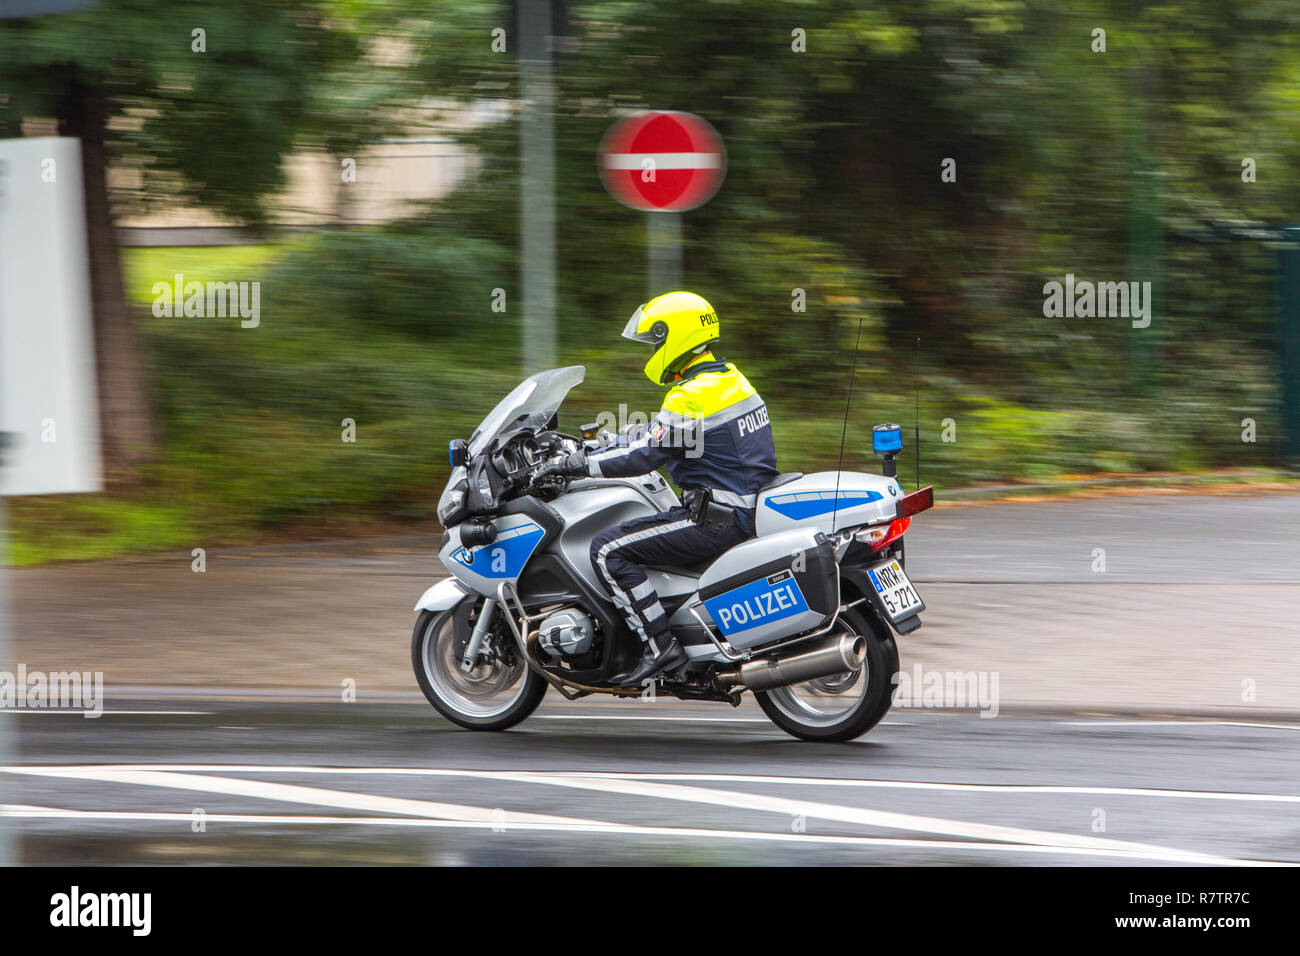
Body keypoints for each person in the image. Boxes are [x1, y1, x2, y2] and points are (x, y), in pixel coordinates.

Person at [542, 291, 778, 686]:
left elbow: (646, 455)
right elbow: (662, 435)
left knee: (607, 550)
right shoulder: (728, 378)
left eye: (654, 340)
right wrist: (608, 440)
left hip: (716, 518)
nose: (651, 350)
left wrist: (580, 463)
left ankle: (660, 649)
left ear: (676, 336)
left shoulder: (689, 394)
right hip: (743, 507)